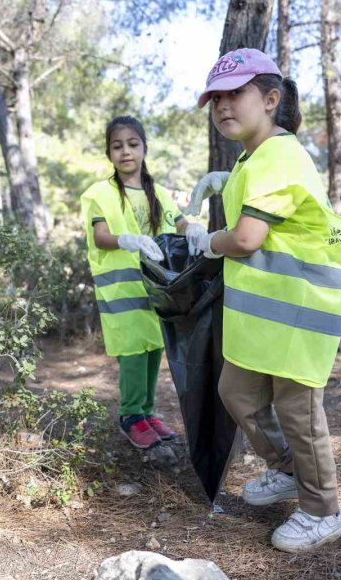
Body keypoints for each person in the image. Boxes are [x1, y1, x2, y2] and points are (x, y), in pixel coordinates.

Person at [185, 48, 341, 553]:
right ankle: (285, 469)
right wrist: (227, 180)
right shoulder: (255, 157)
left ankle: (323, 510)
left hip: (302, 305)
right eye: (215, 98)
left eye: (235, 94)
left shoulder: (278, 155)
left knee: (299, 410)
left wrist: (206, 238)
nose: (222, 106)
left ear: (270, 98)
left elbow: (245, 239)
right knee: (236, 389)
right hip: (270, 311)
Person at [81, 116, 205, 450]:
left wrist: (192, 227)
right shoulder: (100, 194)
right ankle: (130, 415)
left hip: (156, 289)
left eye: (133, 144)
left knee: (152, 350)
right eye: (117, 146)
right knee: (133, 353)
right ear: (109, 153)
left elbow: (178, 223)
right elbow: (101, 236)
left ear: (144, 148)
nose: (126, 152)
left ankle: (147, 412)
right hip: (123, 291)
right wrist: (127, 240)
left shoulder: (160, 193)